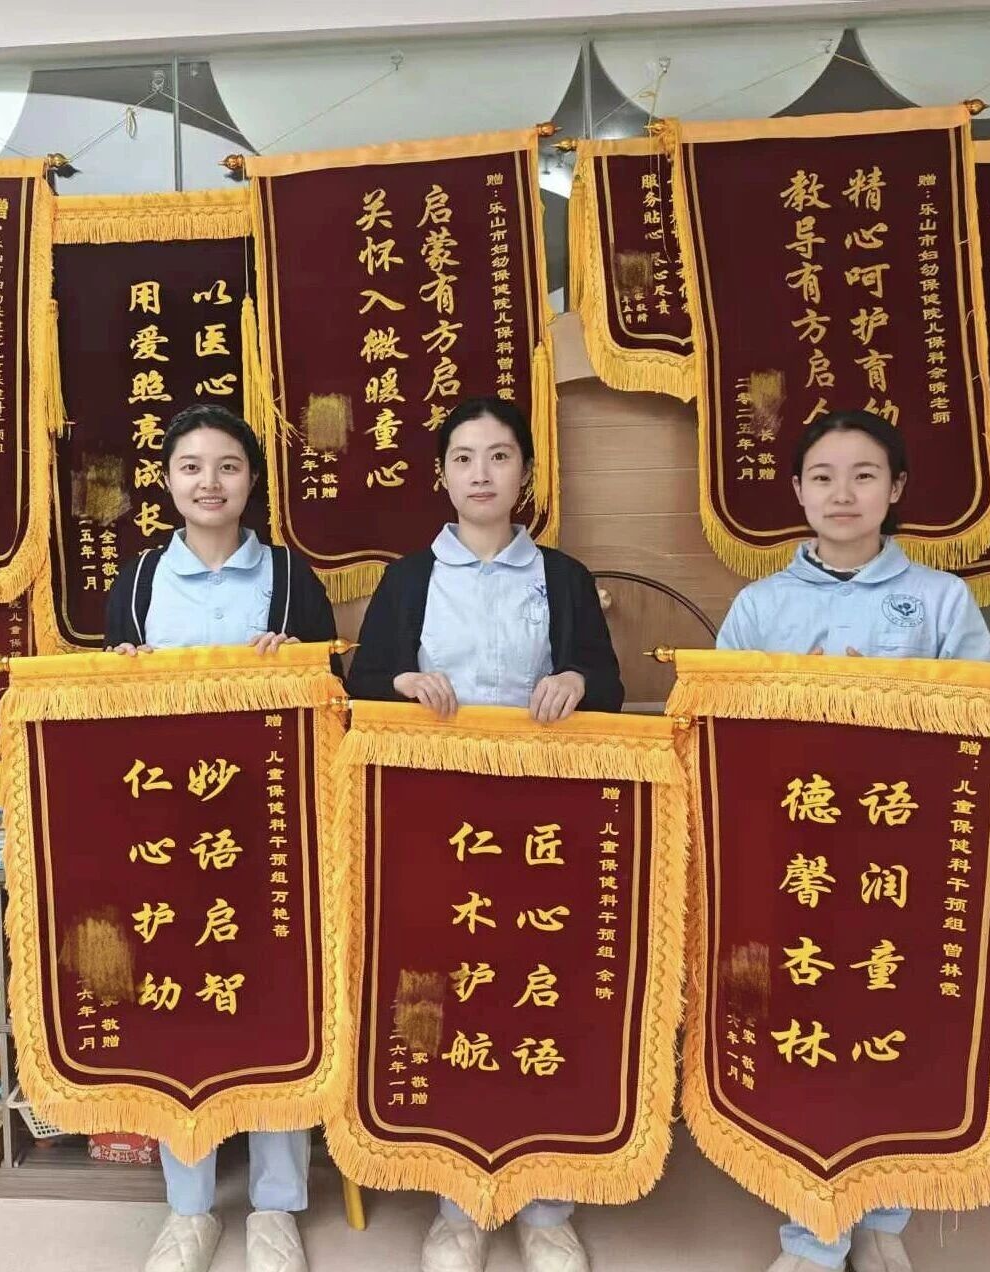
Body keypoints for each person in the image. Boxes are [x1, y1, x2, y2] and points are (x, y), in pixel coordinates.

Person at [716, 408, 990, 1272]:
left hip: (900, 863)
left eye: (864, 475)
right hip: (791, 863)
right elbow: (717, 730)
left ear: (895, 488)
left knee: (892, 1024)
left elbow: (988, 726)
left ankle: (882, 1216)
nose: (843, 493)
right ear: (797, 492)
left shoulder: (941, 601)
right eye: (823, 476)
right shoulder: (760, 605)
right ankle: (811, 1229)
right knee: (802, 1028)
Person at [347, 395, 623, 1272]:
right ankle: (457, 1205)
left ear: (525, 474)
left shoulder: (563, 578)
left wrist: (576, 681)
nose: (480, 474)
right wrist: (401, 683)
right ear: (441, 475)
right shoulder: (408, 580)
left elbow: (606, 683)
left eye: (499, 457)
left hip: (545, 823)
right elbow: (359, 685)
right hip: (435, 822)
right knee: (448, 996)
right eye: (463, 458)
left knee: (543, 994)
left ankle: (546, 1208)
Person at [105, 403, 337, 1272]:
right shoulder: (136, 583)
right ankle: (190, 1207)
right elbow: (104, 726)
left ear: (251, 481)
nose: (210, 482)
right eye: (192, 466)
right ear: (168, 481)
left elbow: (336, 702)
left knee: (280, 1006)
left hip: (271, 838)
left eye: (228, 466)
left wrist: (299, 666)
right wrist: (118, 682)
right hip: (167, 843)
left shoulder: (290, 578)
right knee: (180, 1013)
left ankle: (276, 1206)